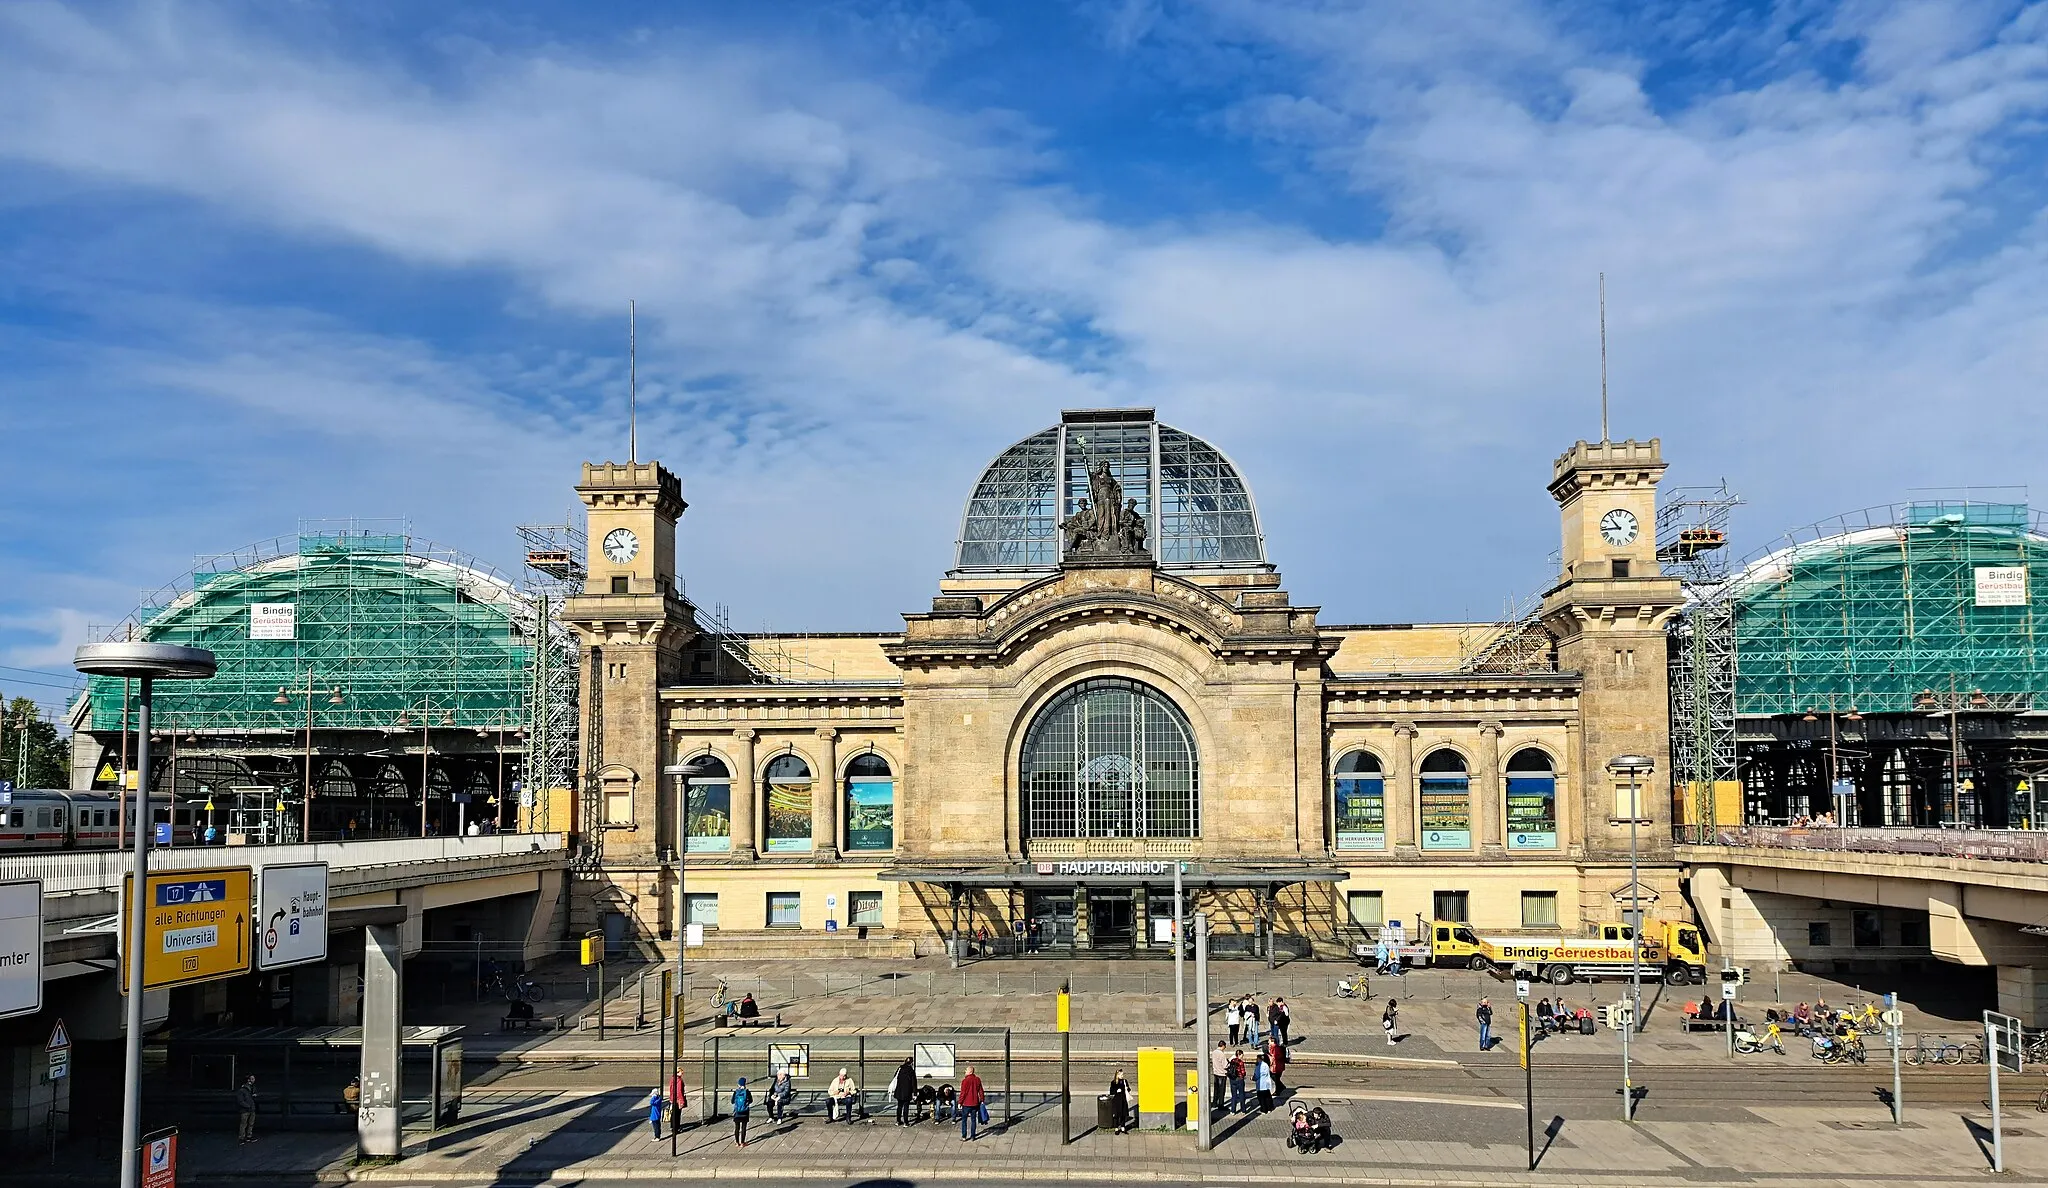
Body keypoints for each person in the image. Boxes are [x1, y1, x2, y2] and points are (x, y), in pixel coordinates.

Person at [959, 1064, 986, 1141]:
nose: (965, 1071)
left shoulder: (965, 1081)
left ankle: (964, 1136)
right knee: (973, 1120)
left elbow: (963, 1093)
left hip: (966, 1104)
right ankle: (973, 1136)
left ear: (970, 1072)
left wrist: (960, 1102)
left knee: (964, 1120)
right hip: (975, 1103)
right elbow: (981, 1091)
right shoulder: (977, 1079)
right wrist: (982, 1100)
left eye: (966, 1070)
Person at [1208, 1041, 1231, 1117]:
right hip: (1222, 1074)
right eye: (1225, 1047)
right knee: (1222, 1090)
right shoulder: (1222, 1054)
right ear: (1223, 1046)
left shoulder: (1214, 1052)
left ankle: (1214, 1103)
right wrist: (1229, 1062)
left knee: (1216, 1089)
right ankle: (1221, 1105)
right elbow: (1225, 1065)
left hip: (1216, 1073)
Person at [891, 1057, 915, 1126]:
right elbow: (913, 1083)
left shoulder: (900, 1068)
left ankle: (898, 1121)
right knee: (906, 1107)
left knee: (899, 1106)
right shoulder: (911, 1071)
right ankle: (906, 1122)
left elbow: (895, 1076)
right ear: (911, 1063)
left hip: (899, 1091)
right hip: (907, 1092)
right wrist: (914, 1093)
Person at [1107, 1069, 1132, 1134]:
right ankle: (1116, 1128)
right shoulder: (1114, 1082)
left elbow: (1128, 1089)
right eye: (1121, 1074)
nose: (1122, 1076)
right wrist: (1116, 1091)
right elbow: (1111, 1092)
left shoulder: (1124, 1081)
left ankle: (1123, 1127)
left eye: (1123, 1074)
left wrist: (1127, 1089)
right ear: (1117, 1075)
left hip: (1123, 1100)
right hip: (1116, 1101)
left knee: (1123, 1114)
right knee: (1116, 1115)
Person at [236, 1075, 259, 1144]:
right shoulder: (242, 1090)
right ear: (248, 1080)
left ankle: (249, 1136)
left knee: (251, 1123)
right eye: (252, 1079)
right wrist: (247, 1106)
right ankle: (241, 1138)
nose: (253, 1080)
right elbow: (240, 1101)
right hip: (245, 1110)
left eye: (254, 1078)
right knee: (243, 1124)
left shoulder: (253, 1088)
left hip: (252, 1108)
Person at [730, 1078, 752, 1146]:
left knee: (737, 1127)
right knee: (743, 1127)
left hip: (737, 1112)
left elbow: (732, 1101)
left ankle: (737, 1142)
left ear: (738, 1084)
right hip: (745, 1112)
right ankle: (742, 1142)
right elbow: (751, 1101)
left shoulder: (736, 1092)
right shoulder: (747, 1092)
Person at [1228, 1049, 1247, 1113]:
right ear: (1239, 1055)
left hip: (1232, 1079)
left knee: (1234, 1095)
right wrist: (1244, 1075)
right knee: (1241, 1095)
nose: (1242, 1056)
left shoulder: (1232, 1060)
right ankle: (1243, 1110)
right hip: (1239, 1080)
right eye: (1242, 1055)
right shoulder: (1241, 1062)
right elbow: (1243, 1072)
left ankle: (1233, 1110)